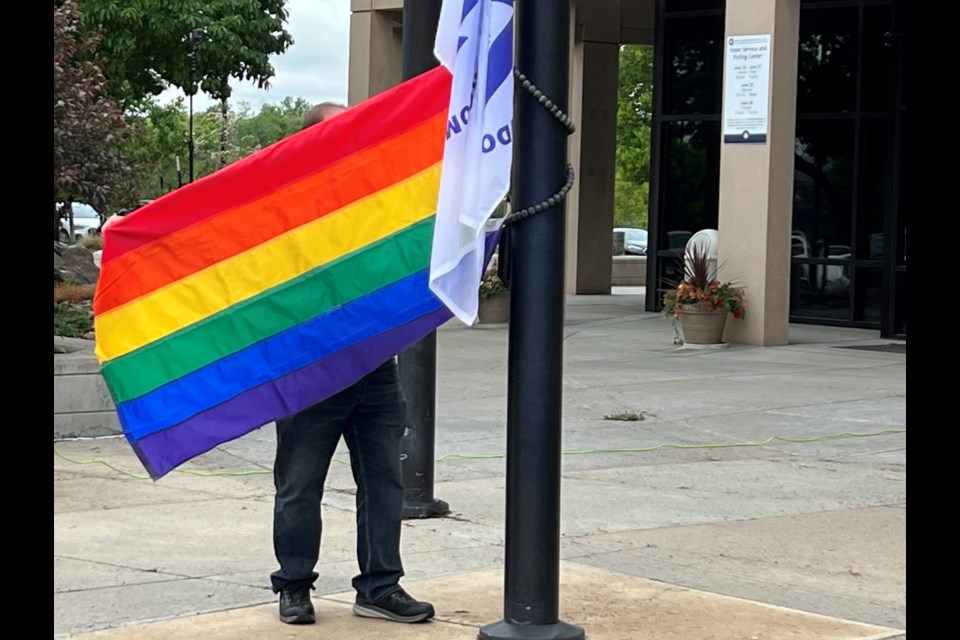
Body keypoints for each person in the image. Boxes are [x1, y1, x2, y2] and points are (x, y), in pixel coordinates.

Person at [270, 101, 436, 626]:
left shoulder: (374, 206)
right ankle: (294, 586)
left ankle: (381, 587)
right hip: (310, 374)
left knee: (386, 482)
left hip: (374, 371)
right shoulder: (281, 211)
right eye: (336, 133)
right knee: (300, 485)